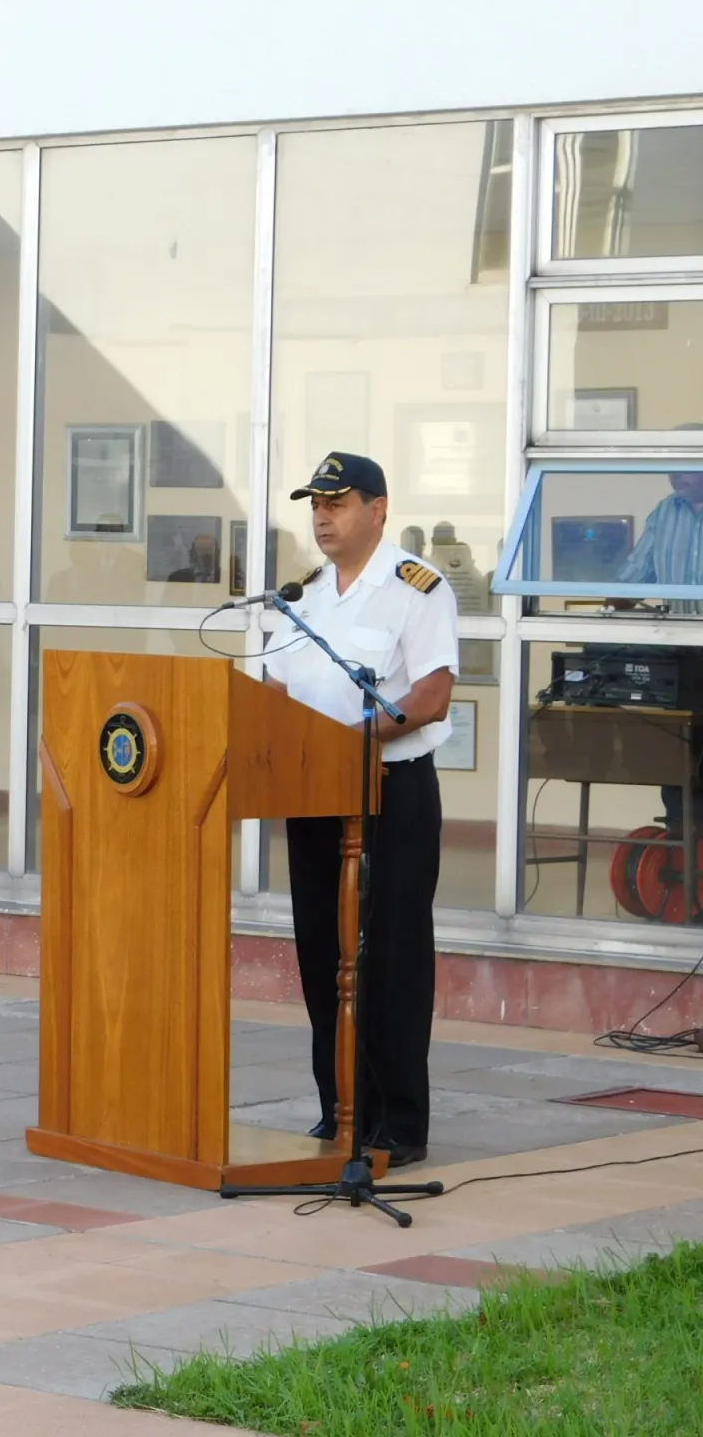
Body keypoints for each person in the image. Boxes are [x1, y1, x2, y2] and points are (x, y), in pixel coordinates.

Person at [267, 452, 459, 1169]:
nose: (322, 516)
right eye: (315, 504)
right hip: (313, 796)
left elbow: (433, 694)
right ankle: (340, 1108)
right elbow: (274, 693)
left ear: (378, 508)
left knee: (392, 956)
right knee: (324, 953)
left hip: (391, 793)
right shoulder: (305, 595)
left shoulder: (417, 587)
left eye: (337, 503)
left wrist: (349, 742)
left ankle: (398, 1123)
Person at [613, 456, 703, 828]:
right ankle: (682, 844)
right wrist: (600, 599)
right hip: (680, 653)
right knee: (679, 753)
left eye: (685, 465)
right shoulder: (665, 513)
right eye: (671, 467)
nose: (675, 475)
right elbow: (633, 578)